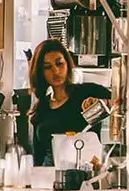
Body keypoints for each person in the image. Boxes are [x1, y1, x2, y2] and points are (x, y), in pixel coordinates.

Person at [28, 38, 111, 167]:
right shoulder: (41, 107)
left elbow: (124, 102)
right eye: (47, 67)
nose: (55, 71)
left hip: (85, 175)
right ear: (40, 72)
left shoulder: (88, 92)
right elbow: (38, 157)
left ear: (67, 64)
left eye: (59, 63)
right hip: (49, 178)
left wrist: (102, 102)